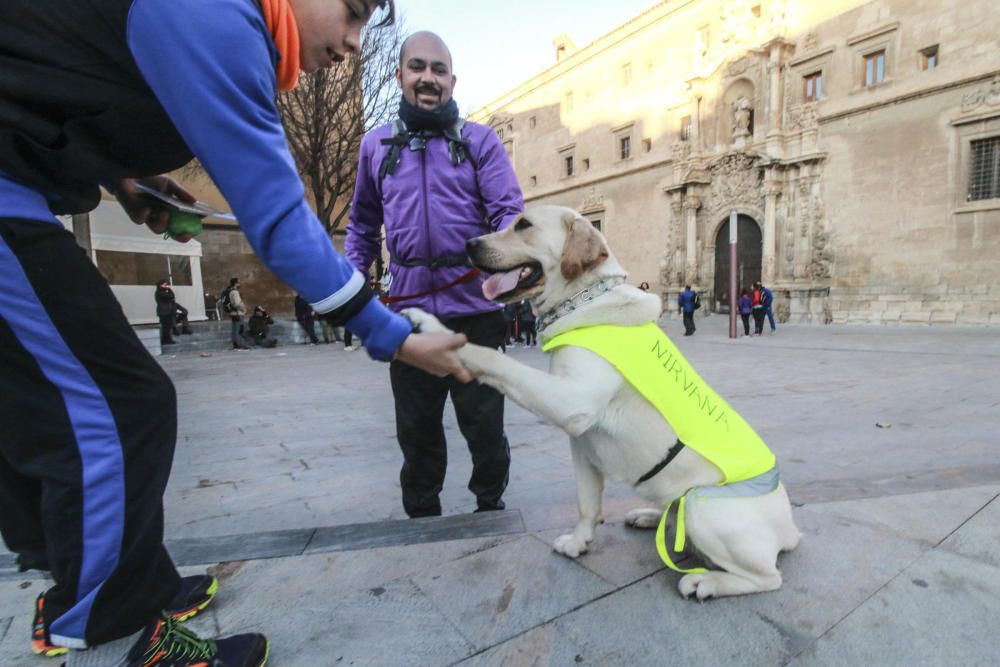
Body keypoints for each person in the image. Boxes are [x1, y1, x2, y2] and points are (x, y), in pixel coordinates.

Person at [0, 2, 473, 665]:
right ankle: (109, 626)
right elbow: (278, 220)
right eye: (351, 13)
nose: (352, 43)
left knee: (45, 409)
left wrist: (123, 175)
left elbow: (52, 72)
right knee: (119, 408)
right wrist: (388, 332)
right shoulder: (217, 15)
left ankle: (87, 583)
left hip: (16, 186)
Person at [346, 31, 524, 518]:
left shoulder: (480, 141)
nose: (428, 78)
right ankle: (422, 517)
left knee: (484, 426)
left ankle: (490, 506)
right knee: (417, 431)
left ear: (452, 80)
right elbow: (362, 225)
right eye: (418, 67)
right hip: (407, 319)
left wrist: (505, 277)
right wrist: (353, 288)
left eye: (439, 70)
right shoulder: (374, 145)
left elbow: (509, 214)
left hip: (477, 315)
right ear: (401, 74)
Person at [222, 277, 250, 351]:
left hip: (232, 313)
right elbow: (237, 303)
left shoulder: (228, 291)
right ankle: (240, 345)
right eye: (239, 282)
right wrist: (244, 309)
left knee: (235, 330)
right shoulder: (234, 292)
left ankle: (235, 345)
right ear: (236, 283)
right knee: (239, 330)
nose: (240, 284)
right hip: (238, 313)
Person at [154, 279, 177, 346]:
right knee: (166, 327)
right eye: (165, 284)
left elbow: (171, 297)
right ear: (161, 285)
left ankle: (167, 339)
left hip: (166, 311)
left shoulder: (162, 291)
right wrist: (169, 290)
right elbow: (170, 296)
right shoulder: (159, 292)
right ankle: (166, 340)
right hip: (164, 312)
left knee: (167, 326)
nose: (167, 286)